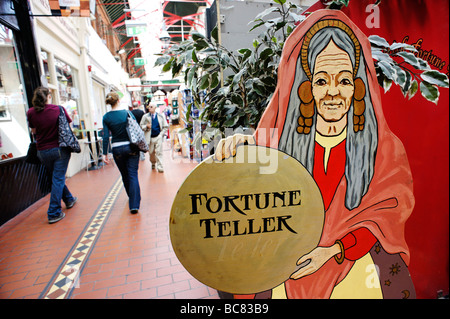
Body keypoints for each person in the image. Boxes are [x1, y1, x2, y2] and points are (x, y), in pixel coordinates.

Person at [215, 10, 415, 299]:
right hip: (285, 268)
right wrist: (239, 149)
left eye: (344, 81)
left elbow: (387, 214)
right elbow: (254, 187)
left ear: (358, 85)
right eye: (321, 81)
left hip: (352, 270)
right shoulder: (277, 141)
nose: (333, 92)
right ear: (304, 86)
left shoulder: (385, 149)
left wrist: (334, 250)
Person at [26, 87, 78, 224]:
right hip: (59, 149)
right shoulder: (58, 109)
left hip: (42, 151)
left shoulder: (31, 112)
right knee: (58, 178)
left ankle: (69, 199)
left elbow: (33, 131)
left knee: (56, 177)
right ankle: (54, 212)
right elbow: (68, 127)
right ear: (49, 96)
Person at [102, 92, 141, 214]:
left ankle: (131, 196)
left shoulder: (106, 117)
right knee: (133, 174)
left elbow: (105, 137)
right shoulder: (127, 113)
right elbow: (136, 127)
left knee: (125, 175)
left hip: (117, 149)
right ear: (118, 100)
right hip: (131, 146)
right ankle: (134, 204)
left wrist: (104, 154)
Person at [140, 102, 168, 172]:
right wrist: (146, 126)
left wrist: (161, 134)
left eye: (151, 107)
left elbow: (166, 126)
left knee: (159, 152)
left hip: (158, 136)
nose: (149, 108)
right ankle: (153, 162)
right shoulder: (145, 116)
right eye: (149, 107)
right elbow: (141, 126)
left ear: (155, 108)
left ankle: (160, 167)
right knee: (151, 153)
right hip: (150, 138)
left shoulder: (160, 116)